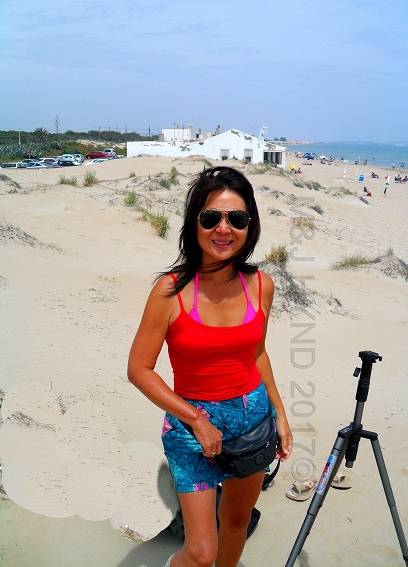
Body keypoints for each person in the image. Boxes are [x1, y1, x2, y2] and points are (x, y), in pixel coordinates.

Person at [128, 166, 293, 567]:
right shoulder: (170, 290)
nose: (224, 229)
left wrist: (281, 415)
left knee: (236, 523)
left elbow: (257, 353)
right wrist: (197, 420)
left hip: (253, 422)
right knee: (201, 553)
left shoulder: (261, 285)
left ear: (249, 226)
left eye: (236, 219)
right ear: (194, 224)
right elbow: (139, 369)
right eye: (211, 218)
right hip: (190, 426)